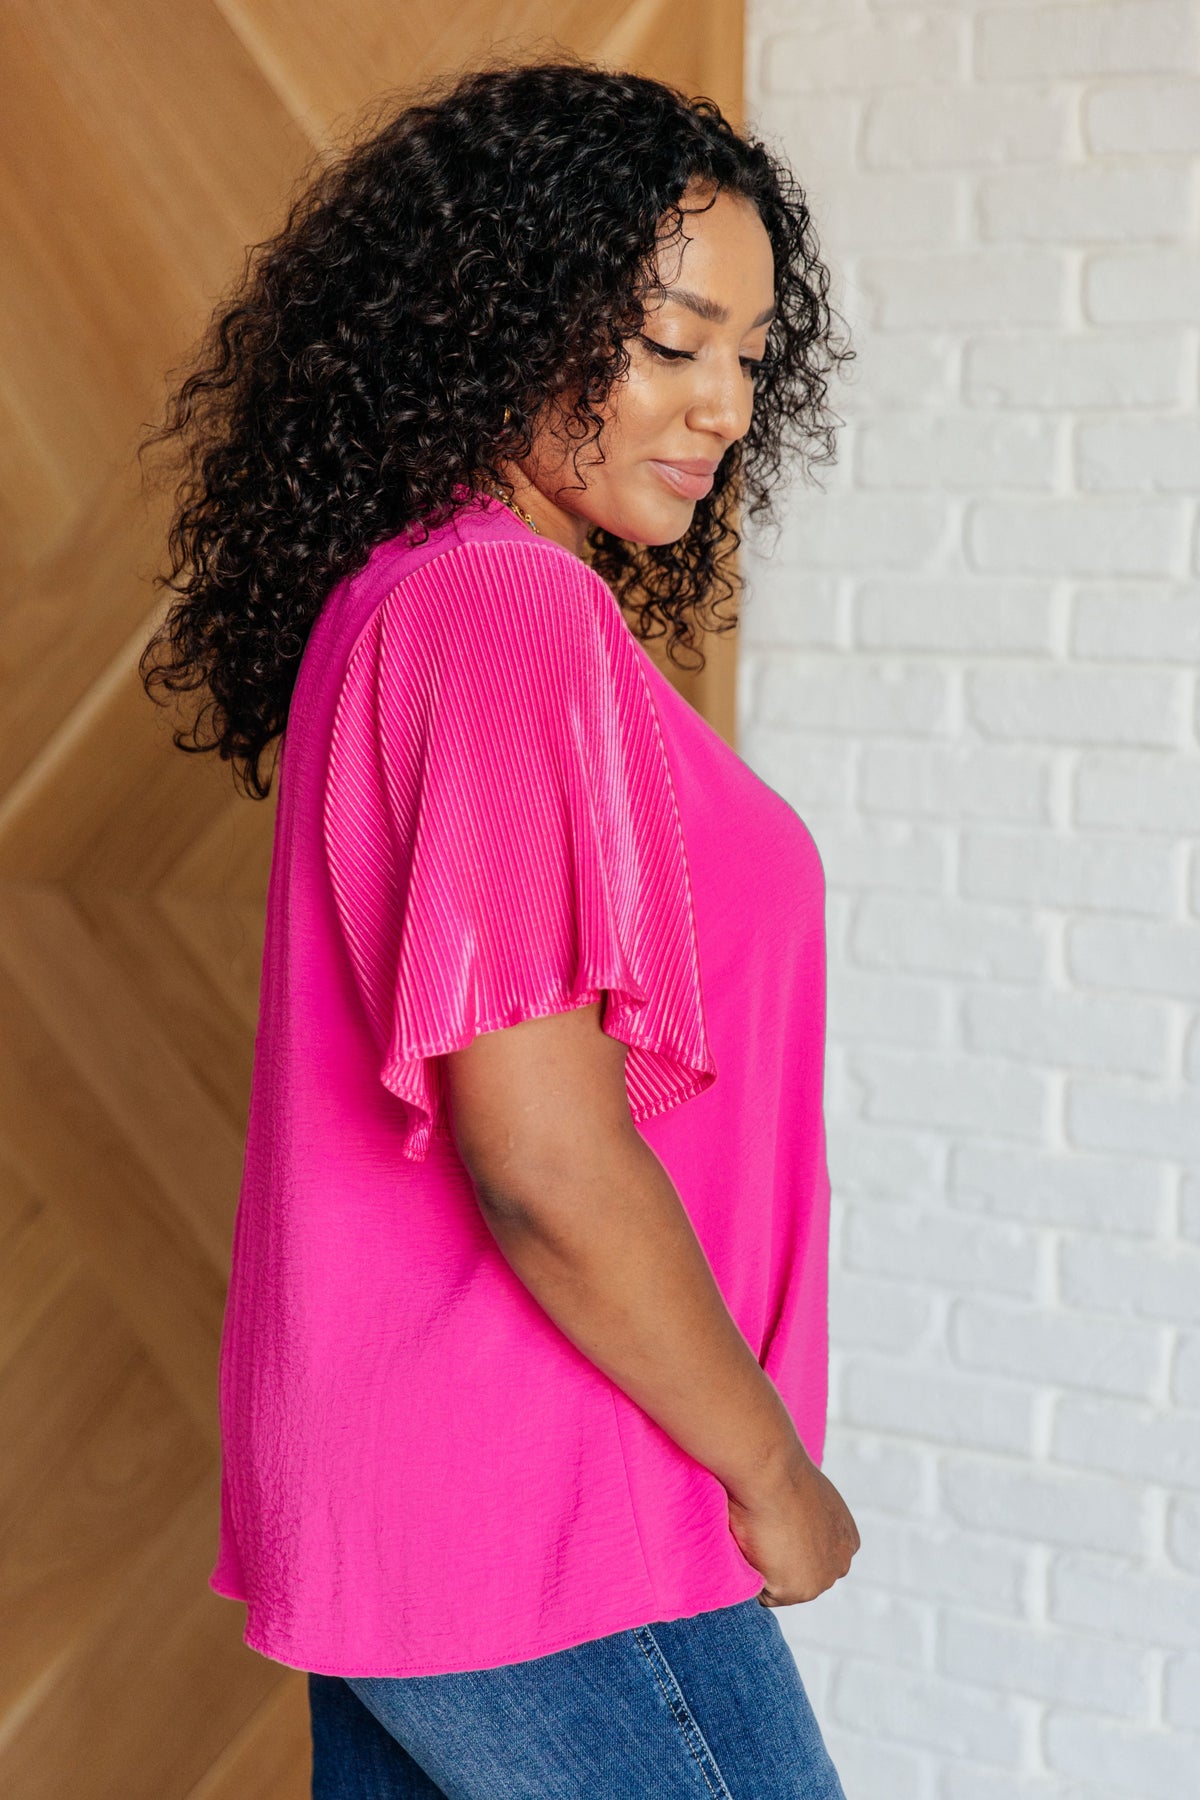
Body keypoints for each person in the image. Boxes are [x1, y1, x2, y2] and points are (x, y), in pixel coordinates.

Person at [141, 56, 859, 1799]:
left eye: (753, 359)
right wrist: (772, 1469)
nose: (722, 406)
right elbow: (540, 1156)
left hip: (416, 1501)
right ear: (503, 318)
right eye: (672, 342)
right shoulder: (500, 608)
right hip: (552, 1497)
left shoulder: (412, 590)